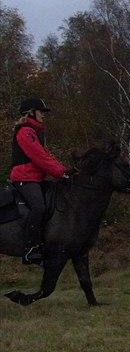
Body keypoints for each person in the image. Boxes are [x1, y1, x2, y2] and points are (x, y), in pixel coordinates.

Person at [9, 98, 68, 264]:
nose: (43, 114)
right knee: (39, 206)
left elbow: (47, 156)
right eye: (41, 111)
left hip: (34, 178)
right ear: (31, 113)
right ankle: (30, 249)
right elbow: (39, 157)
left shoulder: (34, 133)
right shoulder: (25, 132)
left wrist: (64, 171)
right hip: (24, 178)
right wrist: (60, 172)